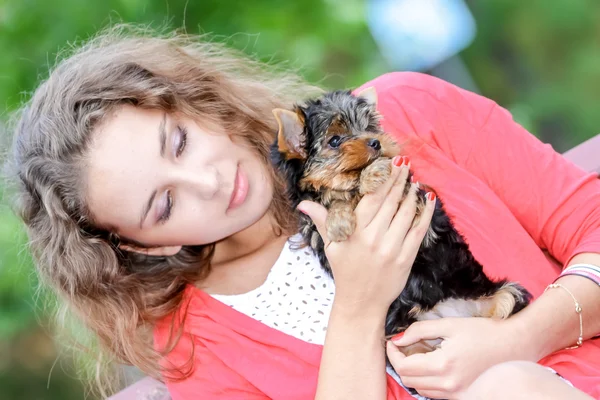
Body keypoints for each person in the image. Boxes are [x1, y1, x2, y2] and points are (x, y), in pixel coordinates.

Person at [7, 25, 600, 400]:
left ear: (195, 103)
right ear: (143, 245)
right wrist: (359, 306)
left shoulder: (402, 115)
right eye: (164, 204)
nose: (209, 182)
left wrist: (518, 340)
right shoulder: (198, 348)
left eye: (179, 143)